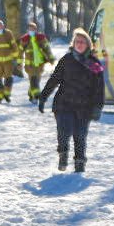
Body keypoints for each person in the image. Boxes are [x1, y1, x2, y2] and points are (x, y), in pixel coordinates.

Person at [38, 28, 105, 173]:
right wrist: (43, 97)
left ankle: (80, 164)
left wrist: (98, 107)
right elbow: (54, 79)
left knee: (80, 135)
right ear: (73, 44)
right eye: (77, 42)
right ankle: (63, 155)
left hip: (84, 106)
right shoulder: (66, 60)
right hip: (64, 104)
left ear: (88, 44)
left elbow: (100, 87)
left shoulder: (94, 63)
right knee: (64, 132)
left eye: (82, 42)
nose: (79, 44)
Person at [18, 19, 56, 103]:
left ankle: (31, 94)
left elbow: (47, 49)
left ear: (36, 29)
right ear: (28, 30)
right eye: (30, 29)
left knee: (37, 81)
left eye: (33, 29)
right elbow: (20, 52)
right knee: (33, 79)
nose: (32, 31)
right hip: (29, 65)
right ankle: (36, 96)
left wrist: (51, 58)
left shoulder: (41, 38)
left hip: (39, 64)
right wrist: (19, 63)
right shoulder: (25, 39)